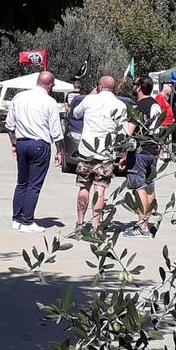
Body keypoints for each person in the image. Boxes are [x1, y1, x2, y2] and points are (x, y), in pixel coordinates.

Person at [5, 72, 63, 233]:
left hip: (22, 143)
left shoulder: (19, 97)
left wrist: (14, 144)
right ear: (50, 85)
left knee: (21, 182)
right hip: (39, 144)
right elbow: (56, 130)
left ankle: (16, 219)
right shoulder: (50, 102)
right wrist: (59, 150)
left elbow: (9, 125)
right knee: (34, 185)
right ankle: (27, 221)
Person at [70, 75, 127, 237]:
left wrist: (92, 93)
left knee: (83, 188)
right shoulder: (120, 105)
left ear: (99, 86)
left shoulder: (90, 100)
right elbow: (122, 133)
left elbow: (75, 113)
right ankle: (96, 227)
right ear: (114, 87)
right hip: (106, 154)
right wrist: (123, 154)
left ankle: (80, 224)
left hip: (87, 153)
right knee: (100, 190)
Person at [123, 76, 161, 238]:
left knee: (139, 188)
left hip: (140, 152)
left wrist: (122, 153)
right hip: (153, 151)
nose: (132, 87)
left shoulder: (138, 107)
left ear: (139, 88)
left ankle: (142, 227)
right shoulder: (156, 105)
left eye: (134, 84)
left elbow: (128, 132)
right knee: (149, 186)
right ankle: (147, 222)